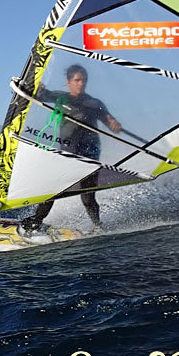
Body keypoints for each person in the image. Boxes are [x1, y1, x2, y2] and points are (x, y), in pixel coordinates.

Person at [22, 64, 121, 232]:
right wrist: (37, 88)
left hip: (90, 152)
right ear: (68, 82)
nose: (81, 84)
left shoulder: (94, 103)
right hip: (67, 152)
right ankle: (36, 222)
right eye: (77, 80)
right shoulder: (61, 98)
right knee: (53, 189)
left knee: (88, 196)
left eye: (84, 80)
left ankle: (97, 226)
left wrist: (114, 124)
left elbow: (110, 121)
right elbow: (38, 95)